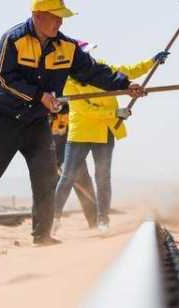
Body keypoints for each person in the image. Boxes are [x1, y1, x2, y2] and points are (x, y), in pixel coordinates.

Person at [0, 0, 150, 245]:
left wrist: (124, 84)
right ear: (37, 16)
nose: (61, 23)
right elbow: (3, 79)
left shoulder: (67, 47)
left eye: (62, 18)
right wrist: (38, 96)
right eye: (56, 18)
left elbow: (93, 72)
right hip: (4, 118)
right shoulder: (12, 40)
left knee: (45, 177)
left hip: (36, 122)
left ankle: (42, 235)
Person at [54, 51, 168, 232]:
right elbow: (86, 110)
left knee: (103, 178)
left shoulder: (103, 70)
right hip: (80, 135)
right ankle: (55, 219)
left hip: (104, 133)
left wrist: (152, 62)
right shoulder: (68, 81)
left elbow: (129, 71)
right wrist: (115, 113)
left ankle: (102, 221)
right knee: (67, 177)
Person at [50, 103, 98, 229]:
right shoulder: (47, 111)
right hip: (54, 159)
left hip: (73, 158)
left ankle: (95, 223)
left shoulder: (74, 110)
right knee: (49, 193)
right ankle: (50, 224)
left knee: (86, 191)